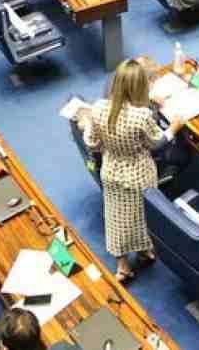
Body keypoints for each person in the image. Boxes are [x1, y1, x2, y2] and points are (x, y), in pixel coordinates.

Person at [75, 60, 180, 282]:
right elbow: (157, 143)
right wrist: (173, 128)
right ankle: (145, 251)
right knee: (142, 217)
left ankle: (122, 266)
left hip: (111, 172)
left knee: (117, 218)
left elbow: (92, 143)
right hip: (139, 174)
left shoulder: (99, 108)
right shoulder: (142, 115)